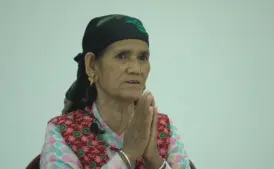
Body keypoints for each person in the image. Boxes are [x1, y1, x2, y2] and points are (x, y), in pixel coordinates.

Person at [40, 14, 191, 169]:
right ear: (92, 65)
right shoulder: (65, 131)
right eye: (122, 56)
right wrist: (127, 155)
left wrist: (155, 160)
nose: (136, 69)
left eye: (143, 57)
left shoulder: (163, 128)